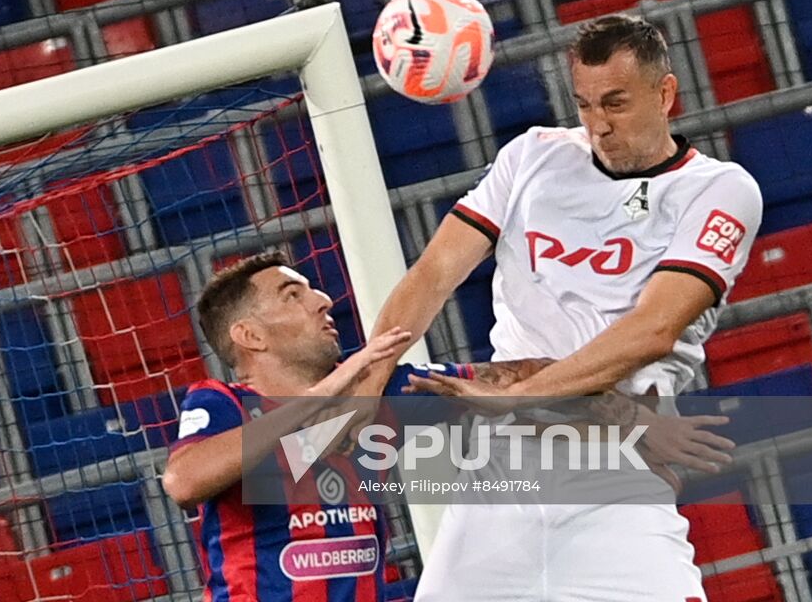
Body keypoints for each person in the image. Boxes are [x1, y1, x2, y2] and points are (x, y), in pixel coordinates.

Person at [361, 14, 764, 601]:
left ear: (666, 93)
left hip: (613, 468)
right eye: (585, 105)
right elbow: (434, 273)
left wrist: (515, 395)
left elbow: (651, 330)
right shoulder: (531, 157)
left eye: (617, 104)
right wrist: (370, 376)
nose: (599, 125)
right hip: (502, 472)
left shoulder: (719, 190)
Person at [160, 250, 729, 601]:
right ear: (250, 337)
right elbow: (184, 481)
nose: (322, 300)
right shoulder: (222, 403)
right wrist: (324, 393)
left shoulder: (379, 395)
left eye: (311, 288)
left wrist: (628, 422)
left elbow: (522, 375)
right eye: (292, 294)